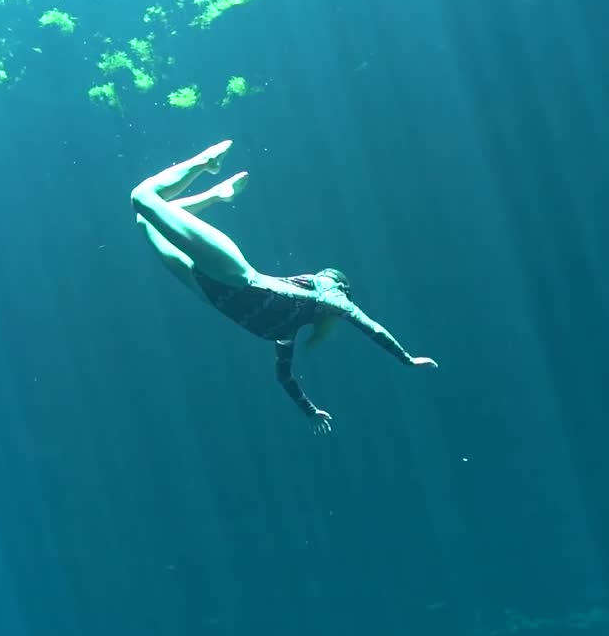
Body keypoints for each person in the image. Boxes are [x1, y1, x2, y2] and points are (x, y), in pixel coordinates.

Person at [130, 140, 437, 434]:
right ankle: (206, 164)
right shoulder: (323, 295)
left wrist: (310, 411)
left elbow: (284, 377)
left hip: (205, 289)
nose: (320, 278)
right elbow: (367, 325)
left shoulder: (292, 329)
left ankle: (217, 195)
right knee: (142, 198)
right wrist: (404, 358)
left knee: (145, 219)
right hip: (232, 275)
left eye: (327, 277)